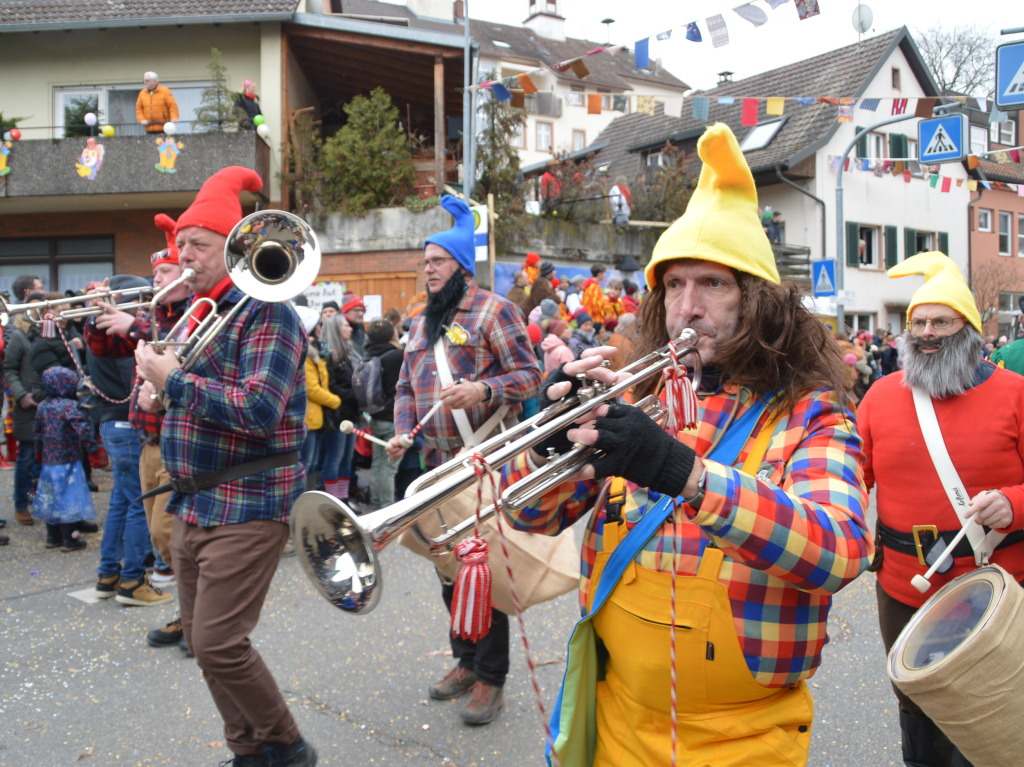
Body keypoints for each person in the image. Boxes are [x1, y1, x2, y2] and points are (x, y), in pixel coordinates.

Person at [502, 122, 872, 766]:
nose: (687, 307)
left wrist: (686, 474)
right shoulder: (637, 397)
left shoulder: (811, 416)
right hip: (615, 720)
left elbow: (838, 552)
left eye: (712, 285)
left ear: (758, 302)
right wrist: (548, 448)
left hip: (743, 739)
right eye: (673, 285)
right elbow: (526, 513)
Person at [133, 166, 317, 766]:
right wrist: (159, 395)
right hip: (193, 499)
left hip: (248, 501)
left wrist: (174, 380)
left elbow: (259, 410)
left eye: (199, 245)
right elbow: (198, 400)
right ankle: (248, 752)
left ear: (234, 247)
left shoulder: (269, 313)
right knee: (200, 639)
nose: (184, 254)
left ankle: (287, 745)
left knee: (216, 642)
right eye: (181, 243)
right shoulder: (201, 314)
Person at [857, 251, 1024, 767]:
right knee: (917, 704)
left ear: (969, 330)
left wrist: (1013, 502)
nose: (928, 332)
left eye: (942, 322)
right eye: (919, 322)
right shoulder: (880, 397)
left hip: (998, 584)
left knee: (997, 704)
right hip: (906, 586)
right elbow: (847, 480)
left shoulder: (1016, 394)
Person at [386, 194, 541, 726]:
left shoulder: (498, 311)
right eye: (425, 262)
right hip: (435, 464)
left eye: (437, 262)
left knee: (484, 569)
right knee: (448, 569)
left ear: (460, 267)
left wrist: (482, 389)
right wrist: (403, 431)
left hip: (486, 458)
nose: (427, 270)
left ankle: (491, 678)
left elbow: (530, 376)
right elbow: (406, 385)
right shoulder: (419, 320)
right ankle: (464, 660)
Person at [85, 218, 192, 646]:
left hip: (174, 441)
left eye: (163, 272)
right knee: (160, 536)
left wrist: (133, 325)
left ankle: (196, 621)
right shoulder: (156, 314)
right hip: (147, 438)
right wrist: (97, 319)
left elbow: (178, 348)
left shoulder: (190, 315)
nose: (156, 279)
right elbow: (105, 349)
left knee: (173, 535)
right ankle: (190, 614)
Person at [87, 273, 173, 608]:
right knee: (140, 504)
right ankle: (133, 580)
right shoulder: (123, 333)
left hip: (111, 424)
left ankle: (108, 574)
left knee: (123, 502)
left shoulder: (108, 329)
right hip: (125, 423)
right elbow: (135, 384)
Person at [32, 366, 98, 551]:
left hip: (48, 461)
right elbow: (82, 428)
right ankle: (69, 538)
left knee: (51, 497)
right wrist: (92, 447)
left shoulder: (42, 406)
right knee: (69, 497)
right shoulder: (69, 406)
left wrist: (38, 453)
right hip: (68, 459)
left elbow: (37, 432)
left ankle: (53, 537)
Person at [4, 289, 45, 526]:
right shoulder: (19, 335)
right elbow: (9, 369)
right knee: (27, 457)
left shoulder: (47, 332)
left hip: (46, 402)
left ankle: (38, 500)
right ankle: (20, 504)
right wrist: (21, 396)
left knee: (44, 458)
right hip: (27, 405)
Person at [296, 307, 339, 491]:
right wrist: (336, 401)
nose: (321, 328)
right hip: (307, 418)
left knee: (312, 463)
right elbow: (312, 388)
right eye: (318, 325)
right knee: (306, 464)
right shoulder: (305, 355)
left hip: (314, 418)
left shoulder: (314, 352)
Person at [364, 318, 403, 509]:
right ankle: (387, 509)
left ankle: (376, 503)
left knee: (377, 464)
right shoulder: (396, 356)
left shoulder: (368, 353)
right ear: (391, 334)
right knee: (389, 468)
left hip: (375, 416)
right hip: (392, 417)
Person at [319, 314, 359, 501]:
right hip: (336, 416)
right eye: (346, 325)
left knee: (347, 459)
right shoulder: (327, 355)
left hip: (350, 413)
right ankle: (332, 501)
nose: (350, 329)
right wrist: (354, 395)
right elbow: (331, 386)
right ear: (336, 329)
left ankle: (343, 500)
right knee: (334, 458)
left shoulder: (346, 353)